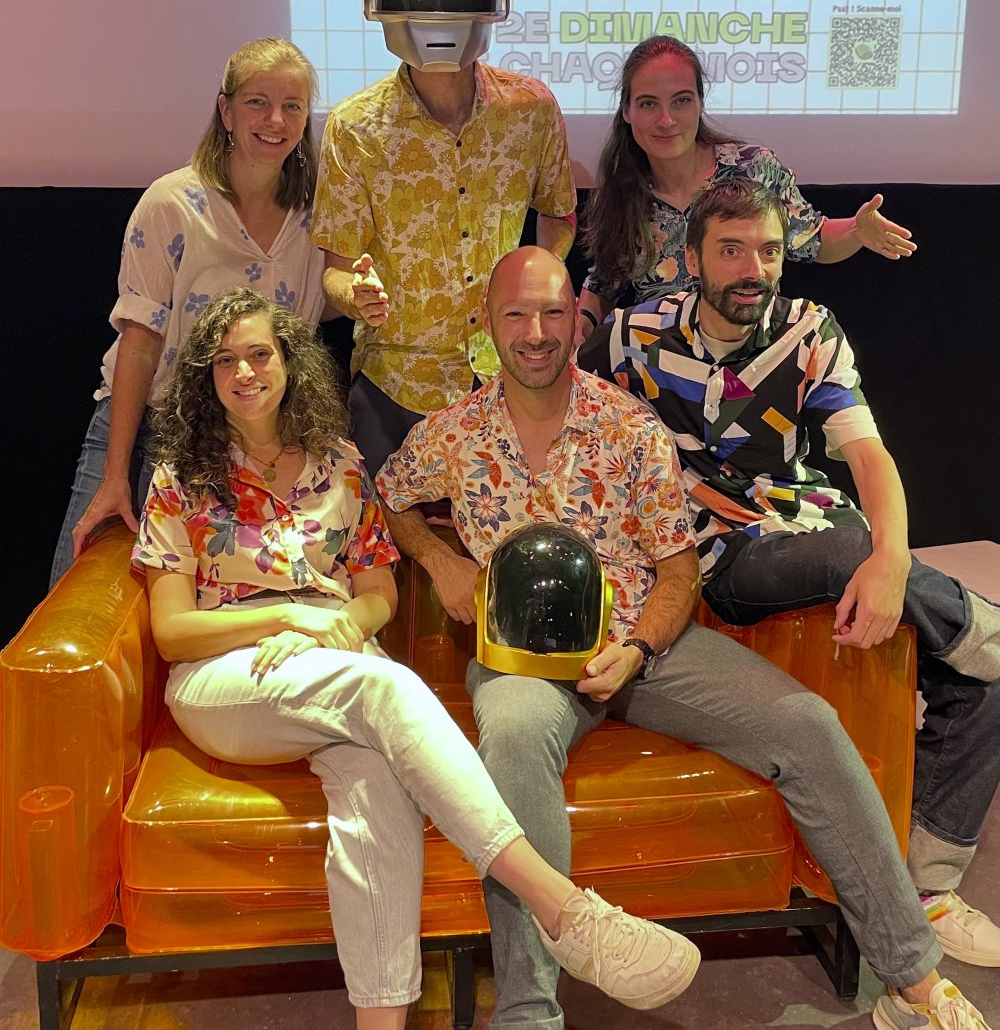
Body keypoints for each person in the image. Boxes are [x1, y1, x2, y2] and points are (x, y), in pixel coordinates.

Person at [378, 246, 991, 1030]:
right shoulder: (452, 434)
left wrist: (638, 648)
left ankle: (913, 985)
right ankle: (529, 1015)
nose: (536, 332)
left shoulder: (628, 427)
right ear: (487, 323)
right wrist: (440, 561)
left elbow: (677, 569)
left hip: (645, 645)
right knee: (514, 739)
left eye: (554, 312)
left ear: (575, 322)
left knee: (809, 725)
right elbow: (390, 496)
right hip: (524, 659)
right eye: (516, 314)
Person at [131, 286, 701, 1030]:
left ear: (289, 362)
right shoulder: (181, 477)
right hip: (230, 675)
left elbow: (378, 594)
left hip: (333, 666)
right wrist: (291, 615)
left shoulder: (338, 464)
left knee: (379, 796)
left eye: (259, 354)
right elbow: (173, 632)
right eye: (225, 361)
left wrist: (338, 624)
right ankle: (563, 908)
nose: (244, 372)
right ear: (206, 377)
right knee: (384, 687)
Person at [579, 177, 1000, 977]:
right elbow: (562, 413)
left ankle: (929, 887)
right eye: (732, 250)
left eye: (769, 251)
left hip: (804, 521)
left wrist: (893, 560)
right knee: (857, 555)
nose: (754, 269)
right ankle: (987, 630)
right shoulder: (633, 336)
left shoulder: (809, 328)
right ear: (692, 258)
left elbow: (867, 454)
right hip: (714, 552)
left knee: (981, 680)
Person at [51, 37, 330, 586]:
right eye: (257, 102)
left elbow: (316, 318)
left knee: (214, 600)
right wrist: (115, 474)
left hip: (251, 441)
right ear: (225, 111)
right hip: (149, 428)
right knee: (84, 595)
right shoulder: (172, 204)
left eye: (292, 106)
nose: (275, 120)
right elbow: (139, 344)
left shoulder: (317, 214)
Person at [310, 0, 577, 475]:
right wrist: (355, 293)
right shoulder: (355, 127)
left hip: (507, 375)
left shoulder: (530, 111)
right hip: (396, 383)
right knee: (386, 527)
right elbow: (334, 270)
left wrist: (538, 286)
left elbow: (560, 215)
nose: (438, 15)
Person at [577, 34, 916, 341]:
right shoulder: (621, 190)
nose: (666, 120)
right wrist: (577, 331)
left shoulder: (753, 169)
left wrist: (856, 230)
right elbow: (604, 282)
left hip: (752, 362)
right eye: (649, 103)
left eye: (681, 101)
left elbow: (812, 239)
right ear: (627, 111)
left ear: (700, 103)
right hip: (658, 367)